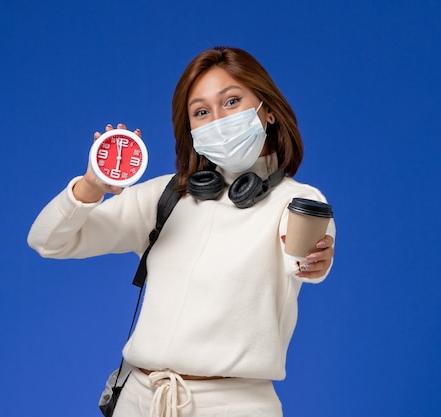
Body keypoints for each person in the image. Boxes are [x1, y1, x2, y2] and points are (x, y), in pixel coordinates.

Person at [28, 46, 336, 417]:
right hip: (139, 399)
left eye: (232, 101)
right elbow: (48, 240)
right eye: (202, 112)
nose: (218, 119)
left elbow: (306, 257)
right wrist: (92, 184)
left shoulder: (297, 201)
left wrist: (314, 260)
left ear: (267, 111)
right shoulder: (167, 195)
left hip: (232, 406)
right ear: (190, 128)